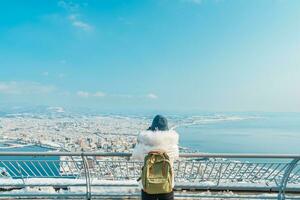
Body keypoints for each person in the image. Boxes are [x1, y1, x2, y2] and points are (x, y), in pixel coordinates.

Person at [131, 115, 179, 200]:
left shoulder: (144, 143)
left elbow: (135, 156)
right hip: (166, 184)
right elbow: (176, 156)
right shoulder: (172, 144)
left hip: (148, 185)